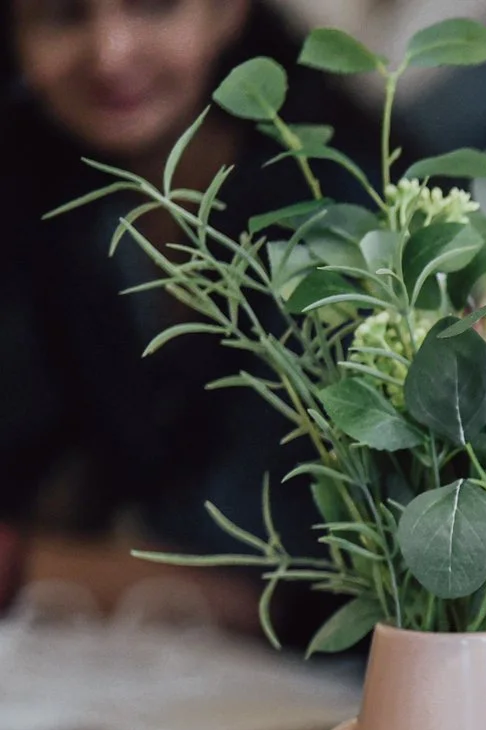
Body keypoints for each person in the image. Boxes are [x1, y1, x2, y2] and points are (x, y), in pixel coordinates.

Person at [1, 0, 368, 633]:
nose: (110, 54)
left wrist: (17, 563)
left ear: (228, 12)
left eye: (154, 6)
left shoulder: (335, 208)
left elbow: (283, 585)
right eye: (62, 16)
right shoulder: (47, 191)